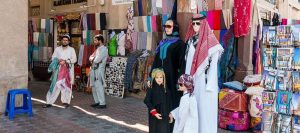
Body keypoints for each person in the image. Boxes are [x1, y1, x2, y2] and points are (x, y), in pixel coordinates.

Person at [184, 14, 224, 133]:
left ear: (203, 24)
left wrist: (210, 85)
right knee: (192, 110)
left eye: (198, 23)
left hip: (206, 84)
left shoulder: (212, 43)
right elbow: (188, 63)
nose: (195, 26)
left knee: (204, 112)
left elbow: (213, 67)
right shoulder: (190, 41)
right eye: (193, 23)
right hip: (192, 81)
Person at [147, 18, 186, 117]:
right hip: (160, 78)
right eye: (165, 26)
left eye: (169, 26)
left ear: (175, 28)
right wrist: (150, 77)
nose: (166, 28)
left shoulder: (180, 44)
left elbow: (182, 64)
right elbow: (156, 61)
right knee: (160, 100)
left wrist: (181, 81)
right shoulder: (162, 42)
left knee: (171, 100)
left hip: (172, 78)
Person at [43, 34, 77, 108]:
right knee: (54, 86)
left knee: (66, 86)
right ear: (61, 41)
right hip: (58, 71)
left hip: (68, 71)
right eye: (63, 40)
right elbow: (53, 58)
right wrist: (58, 61)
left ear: (68, 41)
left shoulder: (72, 49)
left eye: (66, 40)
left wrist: (65, 61)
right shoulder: (57, 49)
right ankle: (49, 102)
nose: (65, 41)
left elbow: (74, 59)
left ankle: (66, 102)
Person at [144, 69, 171, 133]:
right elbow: (146, 100)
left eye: (161, 77)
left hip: (165, 115)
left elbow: (169, 102)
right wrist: (154, 113)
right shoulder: (151, 88)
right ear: (154, 78)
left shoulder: (165, 88)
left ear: (163, 78)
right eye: (157, 77)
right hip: (155, 116)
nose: (159, 79)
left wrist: (170, 114)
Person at [89, 34, 108, 109]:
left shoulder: (104, 49)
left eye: (95, 40)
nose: (94, 42)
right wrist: (93, 59)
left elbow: (97, 60)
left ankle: (102, 103)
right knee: (94, 86)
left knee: (99, 86)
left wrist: (93, 59)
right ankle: (97, 101)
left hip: (99, 70)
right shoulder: (98, 49)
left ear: (100, 41)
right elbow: (90, 57)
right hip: (94, 69)